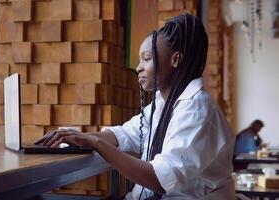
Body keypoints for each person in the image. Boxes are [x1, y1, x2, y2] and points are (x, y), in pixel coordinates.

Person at [35, 13, 236, 199]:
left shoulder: (197, 108)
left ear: (175, 59)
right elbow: (124, 135)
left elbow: (159, 180)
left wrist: (95, 143)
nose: (138, 67)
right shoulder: (163, 103)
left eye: (147, 59)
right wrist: (77, 137)